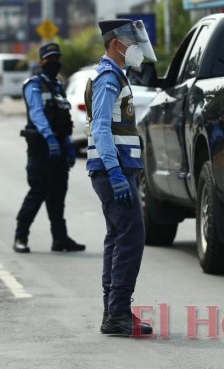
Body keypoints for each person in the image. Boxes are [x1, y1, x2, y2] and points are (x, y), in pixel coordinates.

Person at [85, 19, 157, 336]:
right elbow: (100, 127)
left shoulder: (116, 76)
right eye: (132, 42)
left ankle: (113, 313)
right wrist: (115, 172)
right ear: (116, 44)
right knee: (130, 239)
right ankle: (117, 313)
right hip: (113, 171)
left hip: (118, 170)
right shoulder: (108, 78)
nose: (136, 49)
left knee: (118, 240)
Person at [13, 42, 85, 254]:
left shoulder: (58, 86)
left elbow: (64, 117)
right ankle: (20, 236)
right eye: (49, 59)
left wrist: (68, 145)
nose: (54, 62)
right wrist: (50, 138)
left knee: (58, 196)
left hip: (60, 149)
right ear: (41, 61)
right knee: (37, 194)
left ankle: (60, 239)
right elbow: (37, 114)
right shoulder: (34, 84)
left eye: (56, 58)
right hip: (41, 149)